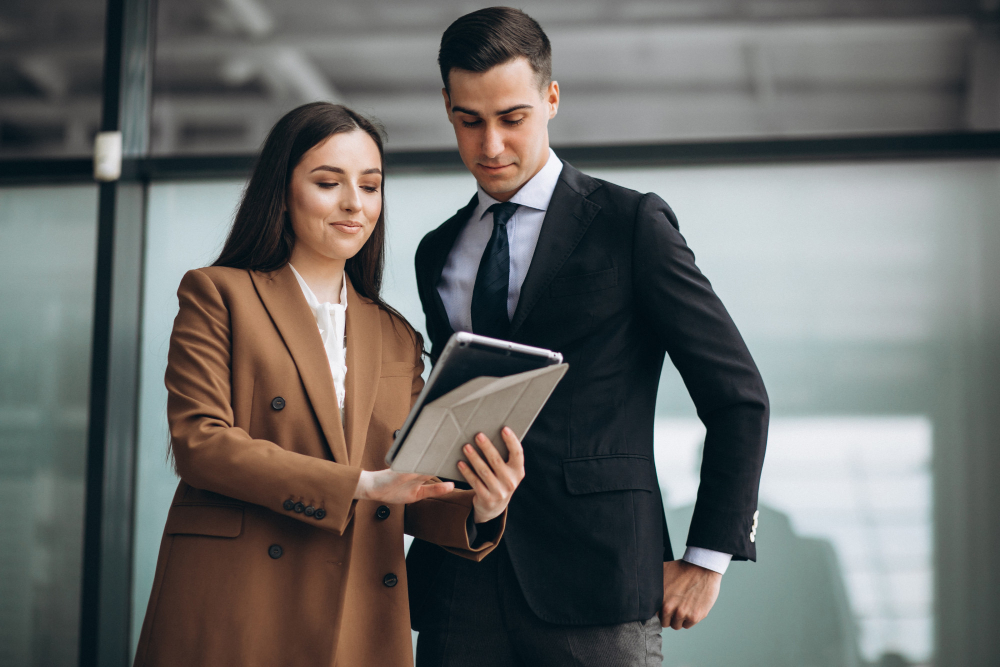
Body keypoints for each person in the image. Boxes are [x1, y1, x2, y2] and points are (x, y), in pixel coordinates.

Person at [407, 8, 769, 666]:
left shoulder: (632, 224)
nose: (490, 144)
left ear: (551, 99)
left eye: (511, 118)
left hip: (598, 581)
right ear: (446, 107)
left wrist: (707, 557)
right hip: (459, 581)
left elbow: (737, 396)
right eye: (469, 120)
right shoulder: (437, 252)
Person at [131, 102, 525, 667]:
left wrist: (483, 506)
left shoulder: (395, 335)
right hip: (239, 603)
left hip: (356, 612)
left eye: (370, 186)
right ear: (282, 191)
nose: (353, 205)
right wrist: (361, 485)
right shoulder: (219, 295)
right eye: (327, 182)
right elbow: (200, 444)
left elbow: (407, 489)